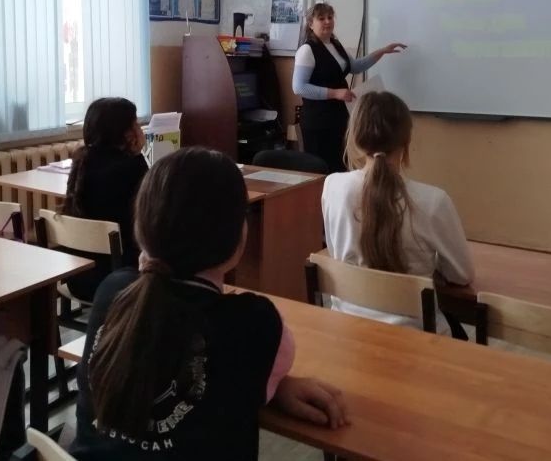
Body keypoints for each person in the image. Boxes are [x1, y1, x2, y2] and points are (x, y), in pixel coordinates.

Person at [70, 148, 348, 460]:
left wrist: (276, 386)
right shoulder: (256, 322)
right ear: (239, 240)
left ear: (140, 227)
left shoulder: (112, 291)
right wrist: (275, 385)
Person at [321, 91, 474, 333]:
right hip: (415, 340)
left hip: (349, 333)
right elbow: (461, 275)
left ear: (355, 137)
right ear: (406, 141)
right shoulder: (433, 201)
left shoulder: (332, 186)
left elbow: (336, 252)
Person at [291, 3, 406, 173]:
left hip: (339, 117)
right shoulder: (307, 50)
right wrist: (335, 93)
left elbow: (356, 67)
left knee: (340, 167)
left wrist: (382, 51)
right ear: (310, 24)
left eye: (330, 17)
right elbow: (299, 87)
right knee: (323, 170)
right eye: (321, 18)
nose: (327, 21)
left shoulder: (335, 44)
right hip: (318, 122)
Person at [63, 97, 148, 297]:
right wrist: (138, 153)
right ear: (126, 133)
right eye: (135, 124)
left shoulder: (82, 161)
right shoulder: (132, 166)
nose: (140, 129)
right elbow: (149, 218)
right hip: (119, 281)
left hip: (78, 277)